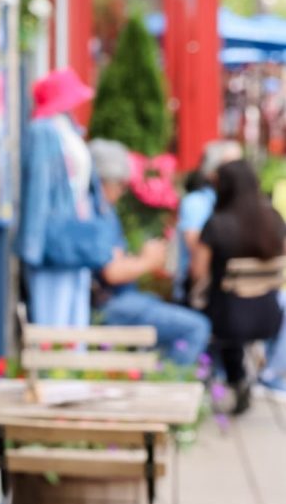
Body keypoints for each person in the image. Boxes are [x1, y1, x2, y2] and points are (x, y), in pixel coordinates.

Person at [89, 140, 211, 366]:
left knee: (161, 307)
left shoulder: (105, 212)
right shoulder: (95, 214)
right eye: (119, 185)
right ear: (102, 181)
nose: (122, 191)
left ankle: (158, 376)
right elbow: (112, 272)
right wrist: (147, 261)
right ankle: (169, 385)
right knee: (197, 328)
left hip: (122, 299)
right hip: (110, 303)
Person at [192, 158, 286, 413]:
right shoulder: (274, 219)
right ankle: (258, 376)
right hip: (268, 313)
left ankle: (224, 376)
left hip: (228, 317)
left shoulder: (216, 224)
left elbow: (197, 272)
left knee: (195, 302)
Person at [17, 67, 97, 326]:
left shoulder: (68, 128)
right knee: (53, 318)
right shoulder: (43, 131)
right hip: (54, 240)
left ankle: (72, 366)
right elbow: (37, 190)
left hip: (73, 236)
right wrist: (32, 247)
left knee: (74, 317)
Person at [174, 139, 242, 303]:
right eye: (232, 167)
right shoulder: (196, 202)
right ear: (213, 172)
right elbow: (197, 251)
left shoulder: (238, 204)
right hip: (199, 290)